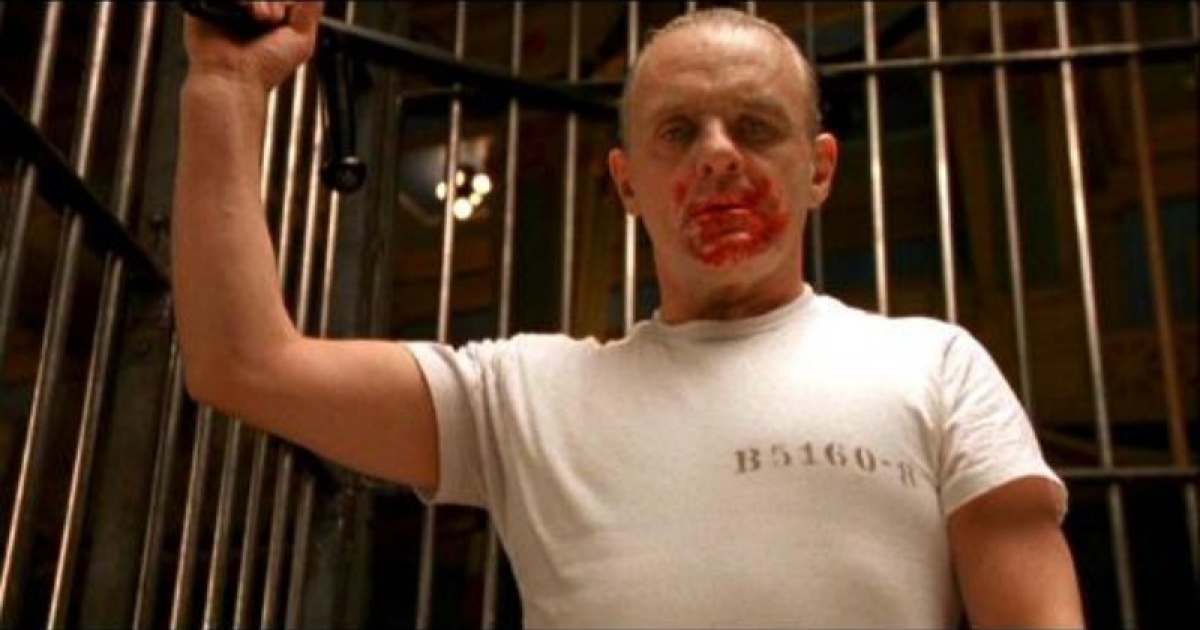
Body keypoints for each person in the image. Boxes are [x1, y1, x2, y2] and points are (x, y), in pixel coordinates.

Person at [174, 2, 1085, 627]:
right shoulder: (521, 396)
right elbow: (242, 364)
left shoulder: (935, 365)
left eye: (756, 127)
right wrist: (226, 82)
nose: (719, 156)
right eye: (679, 133)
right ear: (626, 183)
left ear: (820, 169)